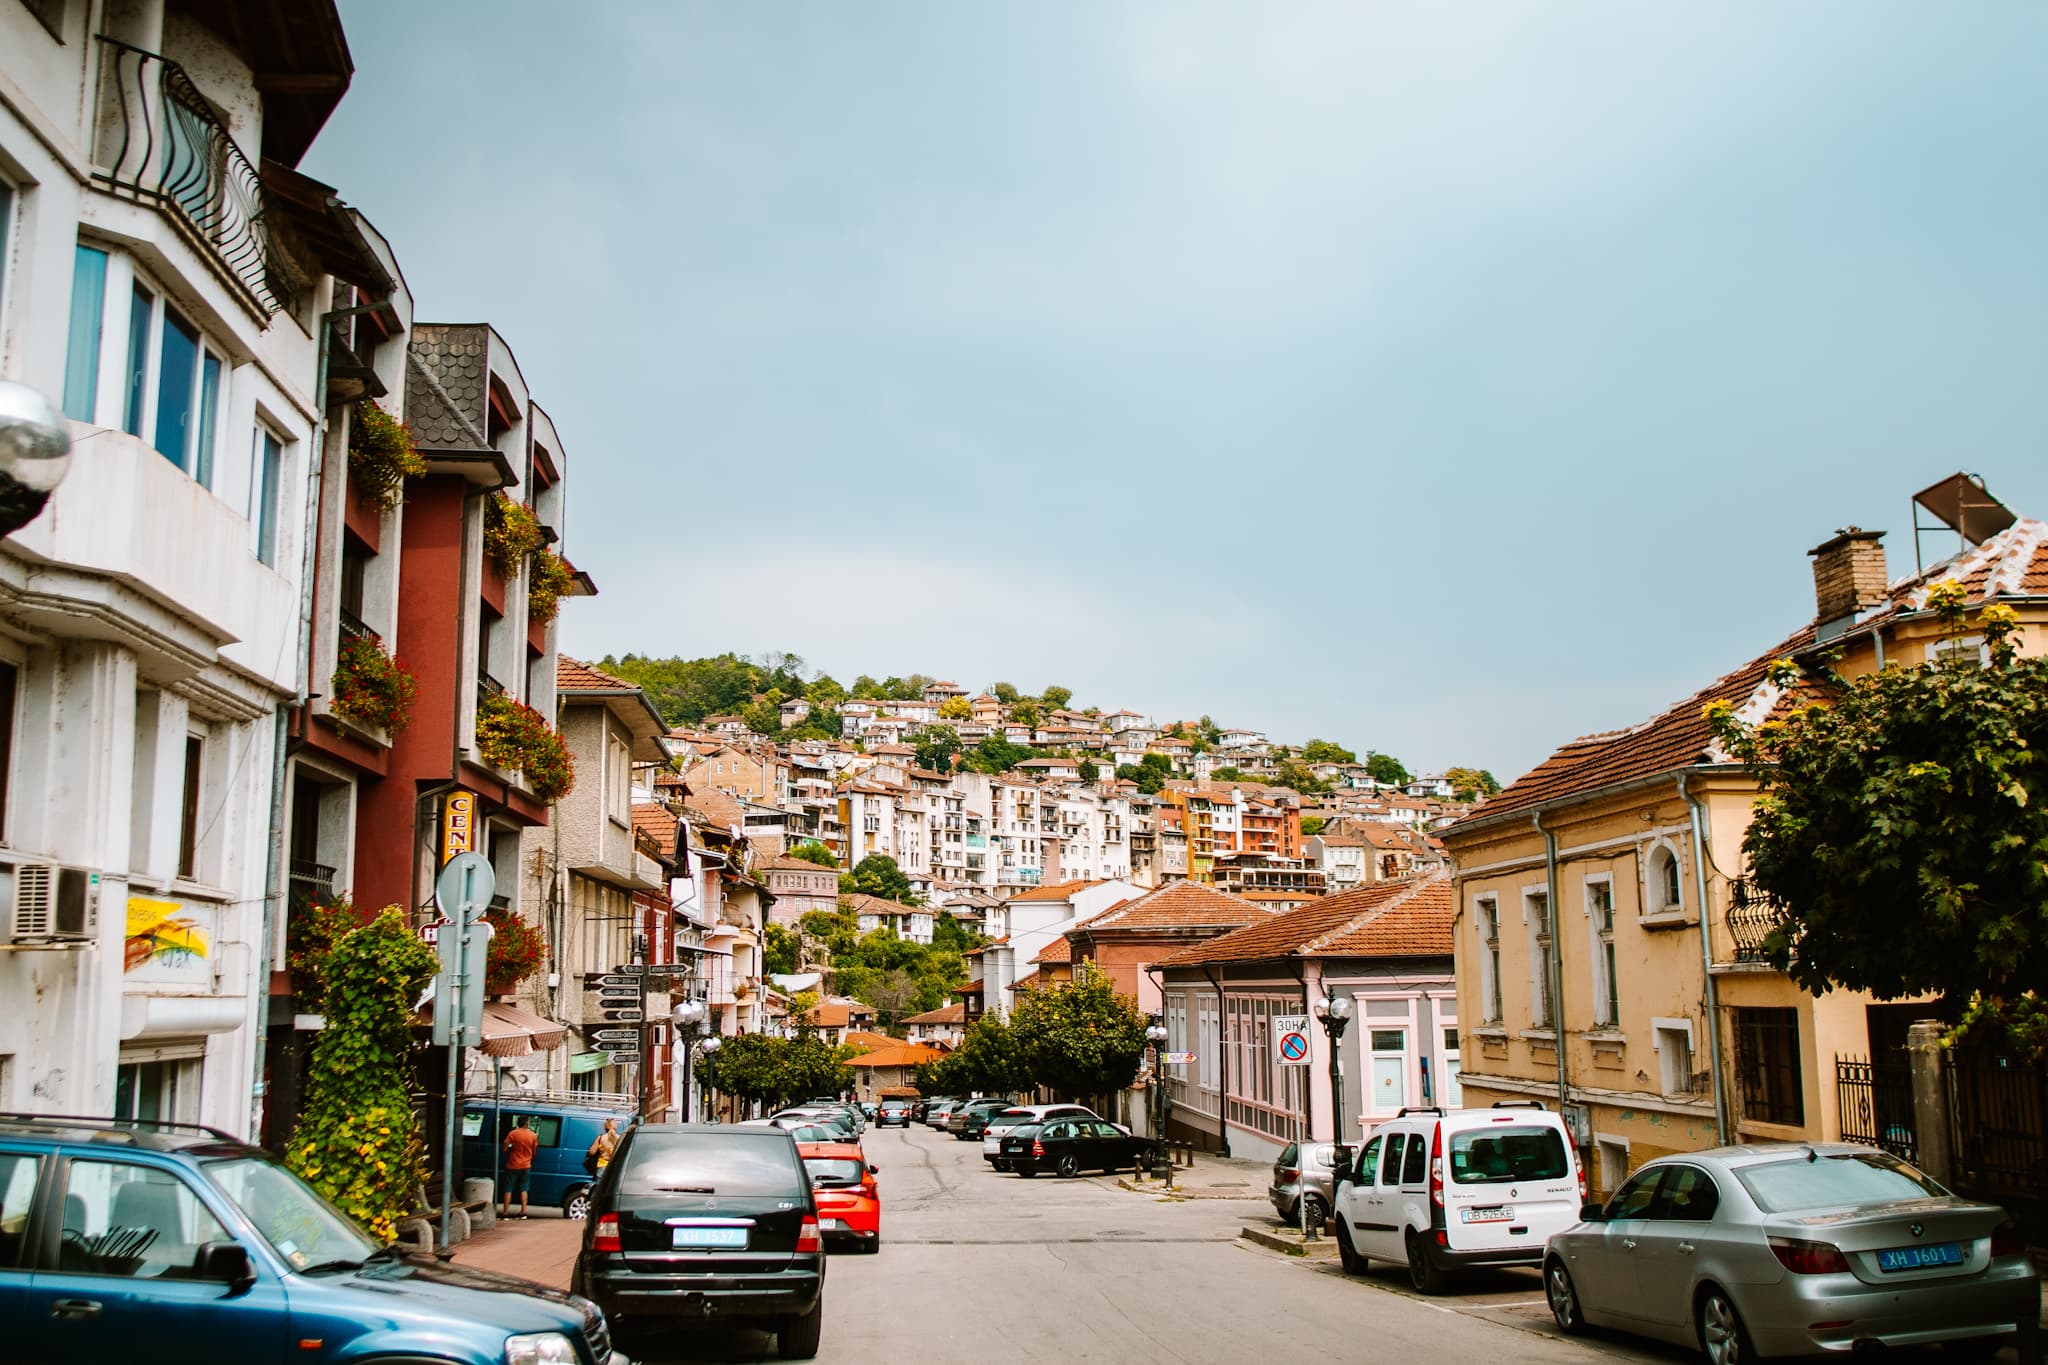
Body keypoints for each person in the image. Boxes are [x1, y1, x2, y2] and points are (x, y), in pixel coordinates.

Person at [501, 1115, 538, 1219]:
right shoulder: (533, 1135)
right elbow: (535, 1151)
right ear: (527, 1123)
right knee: (524, 1189)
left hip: (512, 1165)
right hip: (526, 1165)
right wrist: (530, 1158)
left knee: (508, 1189)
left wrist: (510, 1148)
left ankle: (505, 1213)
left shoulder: (512, 1134)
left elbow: (504, 1148)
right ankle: (523, 1212)